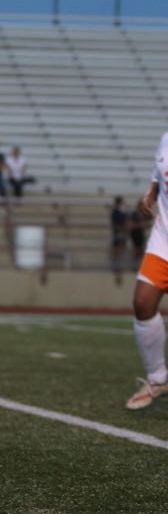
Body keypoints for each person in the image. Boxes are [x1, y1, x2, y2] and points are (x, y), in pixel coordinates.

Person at [126, 133, 168, 410]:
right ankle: (158, 379)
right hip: (164, 240)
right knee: (143, 303)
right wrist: (152, 191)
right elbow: (159, 168)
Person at [111, 196, 128, 283]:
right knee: (117, 252)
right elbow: (114, 224)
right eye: (122, 202)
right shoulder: (115, 212)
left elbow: (126, 221)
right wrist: (121, 228)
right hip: (117, 234)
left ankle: (120, 268)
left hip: (122, 234)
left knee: (121, 252)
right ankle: (117, 268)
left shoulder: (123, 211)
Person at [129, 199, 151, 264]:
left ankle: (140, 264)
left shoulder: (145, 213)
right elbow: (130, 224)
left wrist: (145, 225)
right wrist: (140, 225)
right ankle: (134, 263)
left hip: (142, 233)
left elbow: (148, 222)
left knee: (141, 248)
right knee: (135, 248)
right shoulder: (134, 214)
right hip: (135, 233)